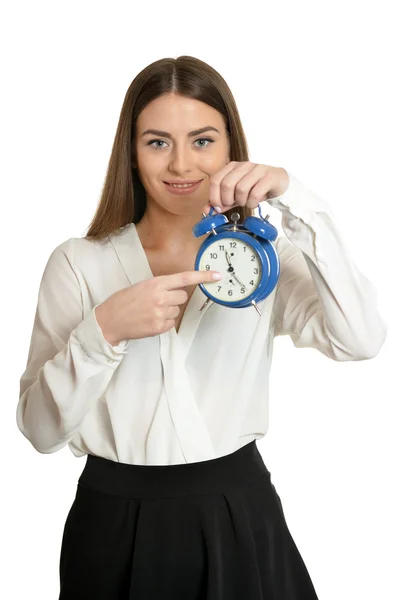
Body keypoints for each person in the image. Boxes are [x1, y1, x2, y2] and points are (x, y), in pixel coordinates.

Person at [16, 55, 387, 599]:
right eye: (158, 141)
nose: (182, 164)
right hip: (114, 523)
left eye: (204, 140)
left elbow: (361, 339)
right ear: (132, 152)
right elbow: (40, 431)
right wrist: (104, 331)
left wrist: (297, 199)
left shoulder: (264, 256)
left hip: (238, 514)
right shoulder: (79, 263)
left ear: (232, 148)